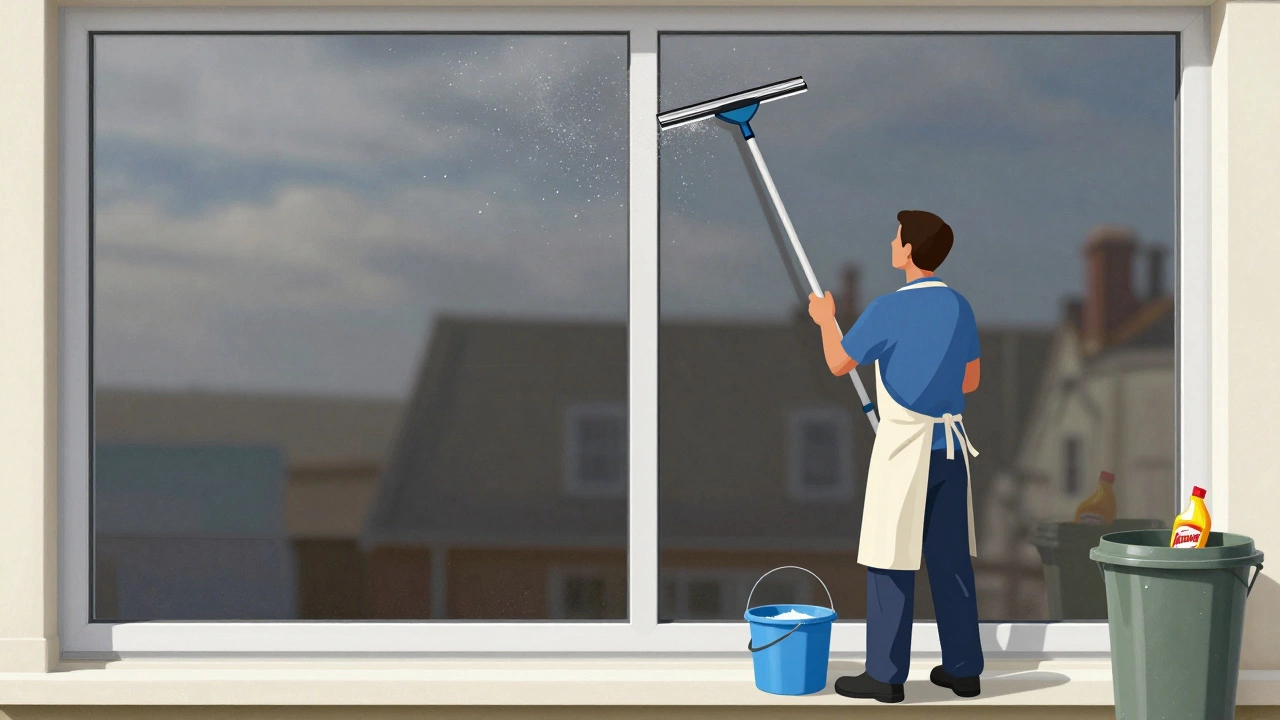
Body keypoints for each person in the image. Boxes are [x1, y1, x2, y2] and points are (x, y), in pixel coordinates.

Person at [807, 210, 984, 704]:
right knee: (950, 562)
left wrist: (826, 321)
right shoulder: (960, 306)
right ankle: (964, 670)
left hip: (906, 449)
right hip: (950, 451)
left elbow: (839, 362)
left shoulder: (887, 309)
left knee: (890, 558)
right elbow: (970, 381)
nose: (891, 242)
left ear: (908, 250)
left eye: (896, 237)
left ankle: (886, 676)